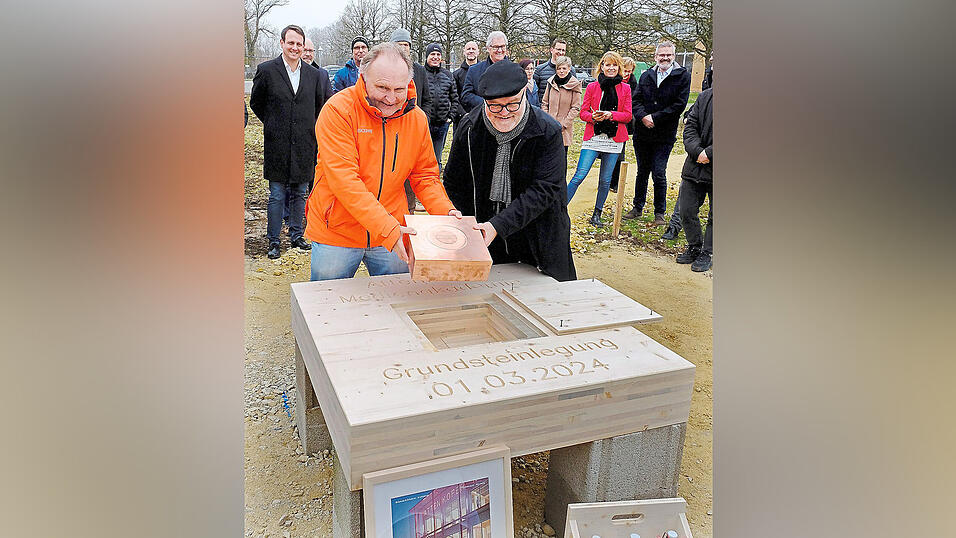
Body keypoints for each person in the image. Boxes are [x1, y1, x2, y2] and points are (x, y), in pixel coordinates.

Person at [304, 42, 461, 281]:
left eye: (399, 89)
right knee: (327, 305)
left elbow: (425, 176)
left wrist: (445, 212)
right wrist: (387, 229)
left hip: (391, 228)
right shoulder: (338, 111)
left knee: (396, 303)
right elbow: (345, 181)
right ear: (363, 77)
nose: (390, 98)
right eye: (382, 87)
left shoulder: (416, 119)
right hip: (337, 229)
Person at [443, 60, 576, 282]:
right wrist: (467, 225)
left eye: (512, 104)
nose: (504, 112)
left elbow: (544, 190)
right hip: (485, 237)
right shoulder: (469, 128)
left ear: (525, 92)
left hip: (537, 239)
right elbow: (454, 182)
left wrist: (498, 225)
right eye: (494, 105)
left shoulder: (547, 131)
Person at [250, 24, 332, 259]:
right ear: (282, 43)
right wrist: (274, 123)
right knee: (277, 194)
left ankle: (297, 235)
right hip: (277, 144)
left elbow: (319, 107)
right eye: (291, 43)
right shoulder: (266, 70)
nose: (295, 48)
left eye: (299, 44)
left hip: (305, 144)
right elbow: (256, 102)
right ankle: (274, 240)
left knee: (299, 193)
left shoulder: (314, 75)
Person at [624, 41, 691, 225]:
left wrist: (655, 118)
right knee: (642, 171)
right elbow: (635, 100)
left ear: (673, 56)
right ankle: (637, 207)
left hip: (664, 134)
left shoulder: (682, 76)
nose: (665, 58)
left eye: (668, 55)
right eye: (661, 55)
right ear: (655, 56)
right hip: (642, 133)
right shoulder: (646, 75)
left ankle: (659, 212)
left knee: (659, 172)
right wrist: (643, 117)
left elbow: (679, 104)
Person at [566, 52, 632, 227]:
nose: (611, 68)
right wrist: (594, 117)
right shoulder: (593, 87)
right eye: (607, 65)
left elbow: (627, 116)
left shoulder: (625, 88)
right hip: (594, 137)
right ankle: (558, 208)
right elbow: (583, 112)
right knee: (579, 174)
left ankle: (597, 214)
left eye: (614, 65)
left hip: (614, 139)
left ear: (619, 67)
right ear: (601, 67)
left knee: (605, 180)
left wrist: (611, 115)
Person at [391, 28, 432, 213]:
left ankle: (411, 210)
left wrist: (423, 122)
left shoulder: (420, 71)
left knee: (413, 173)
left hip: (413, 130)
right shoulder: (387, 70)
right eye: (399, 45)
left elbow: (427, 99)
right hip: (391, 131)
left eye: (406, 45)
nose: (403, 48)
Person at [675, 86, 713, 272]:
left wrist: (710, 153)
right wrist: (697, 151)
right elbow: (690, 126)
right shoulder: (705, 96)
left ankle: (708, 252)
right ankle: (695, 246)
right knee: (686, 210)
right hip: (695, 165)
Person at [422, 43, 459, 171]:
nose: (435, 57)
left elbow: (455, 98)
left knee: (437, 159)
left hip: (442, 125)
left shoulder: (448, 75)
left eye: (438, 54)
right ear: (427, 56)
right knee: (423, 159)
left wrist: (450, 117)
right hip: (424, 125)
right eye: (432, 54)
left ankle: (435, 184)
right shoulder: (421, 74)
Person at [539, 55, 581, 159]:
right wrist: (547, 119)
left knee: (561, 159)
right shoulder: (550, 82)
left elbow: (575, 107)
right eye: (559, 68)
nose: (561, 71)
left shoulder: (574, 84)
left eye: (564, 68)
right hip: (549, 127)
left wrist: (564, 124)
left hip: (564, 129)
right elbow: (545, 103)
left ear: (569, 69)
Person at [460, 31, 509, 114]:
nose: (500, 50)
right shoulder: (474, 70)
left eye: (502, 46)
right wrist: (488, 104)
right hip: (482, 118)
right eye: (496, 47)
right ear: (488, 48)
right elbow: (466, 95)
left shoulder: (516, 70)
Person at [609, 56, 638, 193]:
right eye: (625, 71)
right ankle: (607, 179)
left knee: (620, 153)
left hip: (623, 122)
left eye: (629, 71)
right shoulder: (614, 81)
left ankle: (616, 182)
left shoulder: (633, 84)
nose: (627, 74)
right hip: (609, 120)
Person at [533, 38, 574, 104]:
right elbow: (534, 93)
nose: (561, 52)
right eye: (558, 49)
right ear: (551, 50)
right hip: (543, 111)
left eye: (563, 50)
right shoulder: (540, 70)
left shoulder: (571, 70)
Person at [452, 41, 480, 129]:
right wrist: (463, 114)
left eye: (473, 49)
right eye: (468, 49)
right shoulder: (456, 75)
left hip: (480, 117)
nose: (471, 51)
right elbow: (454, 97)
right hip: (461, 119)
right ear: (464, 52)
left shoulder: (485, 71)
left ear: (478, 52)